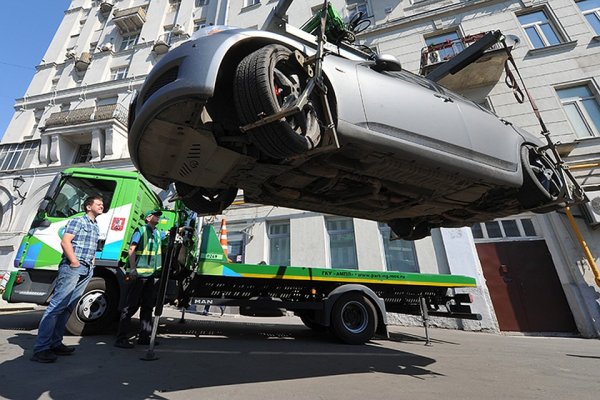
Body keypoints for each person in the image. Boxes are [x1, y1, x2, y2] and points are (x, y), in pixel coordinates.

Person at [31, 196, 104, 363]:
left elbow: (92, 247)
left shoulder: (95, 226)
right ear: (88, 206)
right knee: (57, 306)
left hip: (86, 269)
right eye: (98, 204)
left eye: (102, 204)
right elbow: (66, 242)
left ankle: (56, 343)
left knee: (68, 307)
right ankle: (41, 349)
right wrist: (74, 261)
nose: (102, 206)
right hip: (73, 267)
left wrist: (91, 263)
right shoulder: (78, 221)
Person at [114, 209, 164, 348]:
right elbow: (132, 249)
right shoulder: (141, 230)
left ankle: (144, 337)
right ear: (148, 218)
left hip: (150, 276)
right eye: (155, 215)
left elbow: (169, 235)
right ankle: (121, 338)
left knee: (148, 307)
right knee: (130, 306)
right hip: (139, 275)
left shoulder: (158, 233)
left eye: (159, 215)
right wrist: (133, 269)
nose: (158, 217)